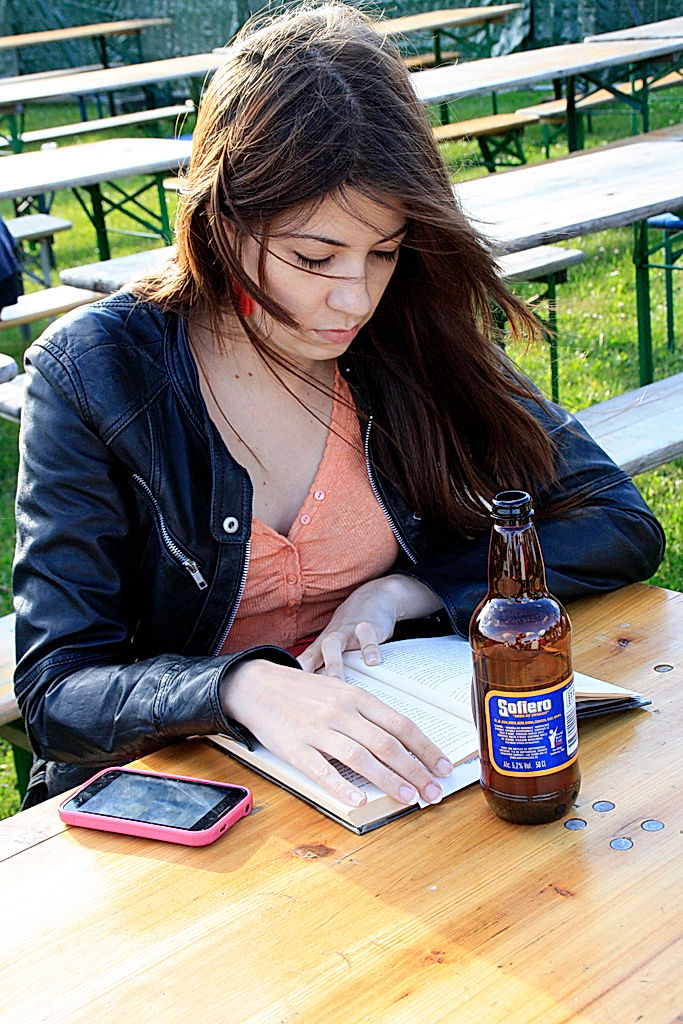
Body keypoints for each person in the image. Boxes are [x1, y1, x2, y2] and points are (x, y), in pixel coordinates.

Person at [13, 2, 664, 809]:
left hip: (394, 777)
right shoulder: (97, 374)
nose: (352, 297)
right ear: (220, 219)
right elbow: (58, 688)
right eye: (313, 256)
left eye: (383, 251)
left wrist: (411, 591)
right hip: (182, 798)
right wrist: (242, 687)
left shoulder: (405, 335)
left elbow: (617, 522)